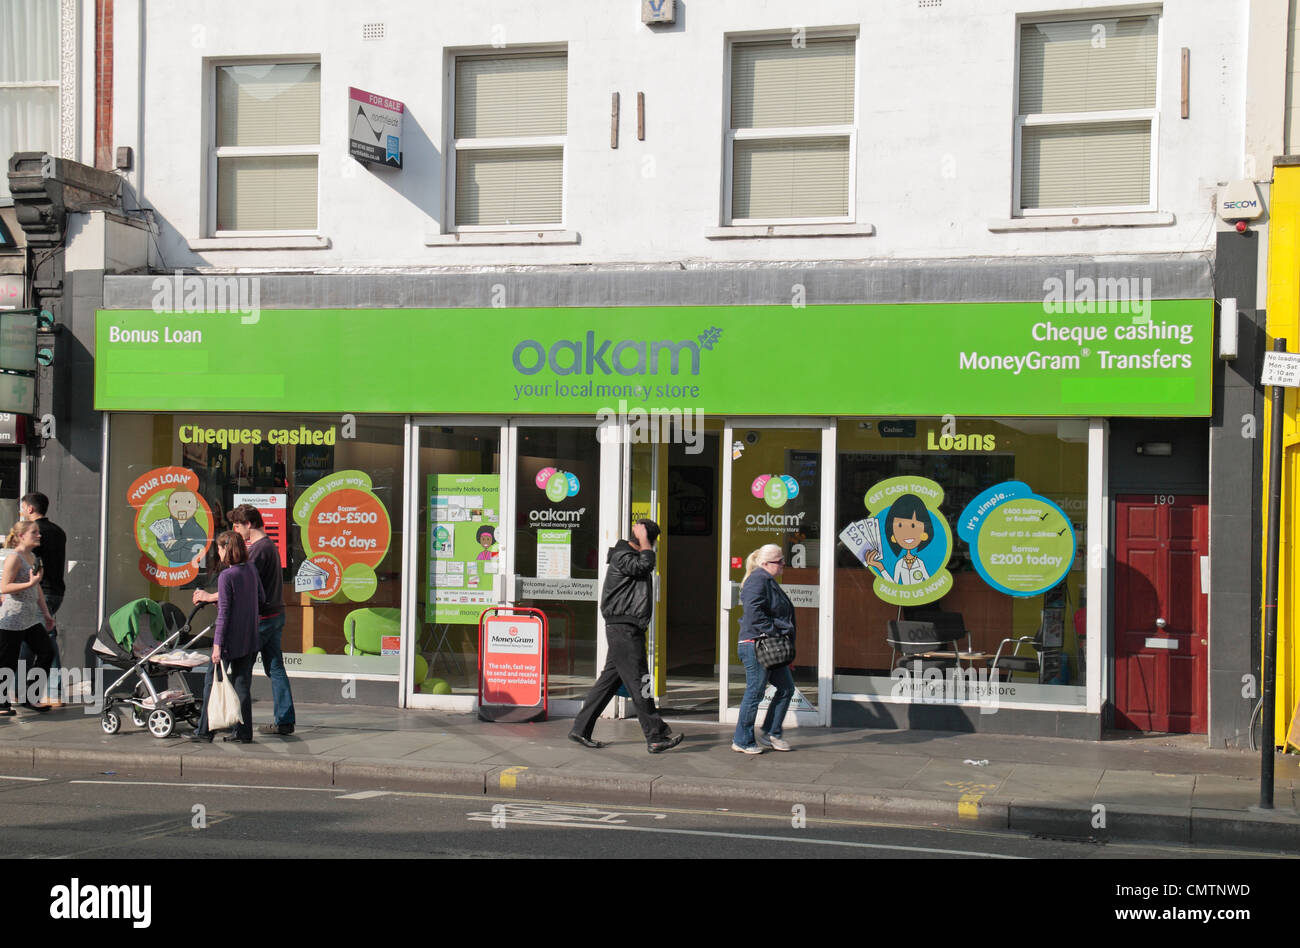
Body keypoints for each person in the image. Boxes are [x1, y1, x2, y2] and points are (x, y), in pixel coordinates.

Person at [569, 519, 683, 754]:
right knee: (641, 681)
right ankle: (655, 736)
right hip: (624, 628)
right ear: (647, 540)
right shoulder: (624, 556)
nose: (654, 548)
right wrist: (645, 543)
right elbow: (643, 566)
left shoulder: (628, 555)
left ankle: (580, 729)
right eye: (653, 543)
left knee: (609, 681)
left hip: (625, 627)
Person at [190, 531, 262, 743]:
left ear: (227, 550)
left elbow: (224, 614)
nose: (219, 553)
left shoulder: (226, 576)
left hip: (229, 639)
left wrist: (217, 646)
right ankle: (244, 732)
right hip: (250, 638)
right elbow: (261, 598)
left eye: (220, 549)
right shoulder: (251, 570)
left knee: (212, 682)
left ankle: (205, 731)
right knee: (242, 685)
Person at [229, 504, 295, 735]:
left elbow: (241, 583)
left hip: (261, 618)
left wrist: (212, 595)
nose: (236, 531)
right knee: (275, 667)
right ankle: (284, 721)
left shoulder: (258, 549)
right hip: (276, 614)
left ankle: (239, 723)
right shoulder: (270, 546)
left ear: (248, 524)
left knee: (242, 670)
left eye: (237, 526)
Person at [733, 543, 796, 754]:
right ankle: (742, 740)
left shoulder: (766, 580)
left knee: (786, 688)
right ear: (766, 563)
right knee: (755, 692)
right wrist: (775, 633)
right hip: (757, 646)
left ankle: (771, 732)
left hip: (768, 645)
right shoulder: (758, 580)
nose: (783, 565)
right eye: (779, 562)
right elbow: (753, 612)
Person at [0, 521, 56, 716]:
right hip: (12, 619)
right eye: (34, 532)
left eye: (38, 532)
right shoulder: (14, 558)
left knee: (46, 652)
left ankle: (30, 696)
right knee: (7, 662)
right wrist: (29, 583)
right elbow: (5, 587)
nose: (39, 535)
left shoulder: (33, 556)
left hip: (30, 618)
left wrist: (46, 613)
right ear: (22, 536)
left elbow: (37, 587)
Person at [18, 493, 64, 706]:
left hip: (40, 593)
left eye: (22, 507)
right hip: (55, 591)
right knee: (39, 640)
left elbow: (30, 563)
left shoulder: (35, 533)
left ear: (29, 509)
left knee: (38, 641)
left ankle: (42, 691)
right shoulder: (58, 531)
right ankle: (32, 690)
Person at [864, 493, 934, 586]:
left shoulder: (920, 563)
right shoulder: (899, 564)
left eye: (913, 526)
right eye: (900, 526)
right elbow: (894, 585)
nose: (907, 533)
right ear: (893, 534)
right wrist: (880, 567)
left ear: (924, 533)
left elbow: (930, 583)